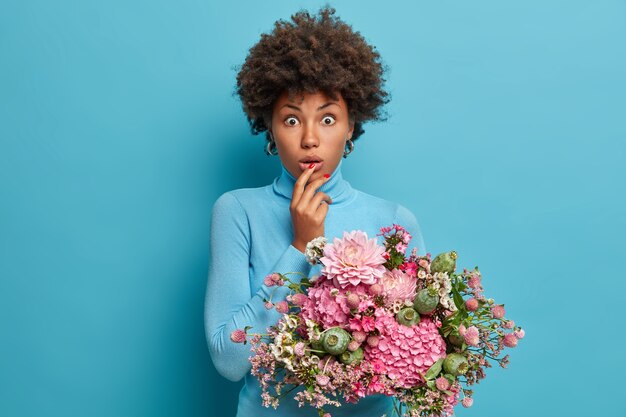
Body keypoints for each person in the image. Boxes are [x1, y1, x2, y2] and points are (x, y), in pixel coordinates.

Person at [204, 6, 426, 417]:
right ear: (269, 126)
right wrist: (302, 245)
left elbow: (415, 360)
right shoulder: (237, 211)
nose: (310, 139)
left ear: (351, 126)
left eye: (327, 118)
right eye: (291, 119)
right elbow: (229, 362)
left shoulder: (396, 221)